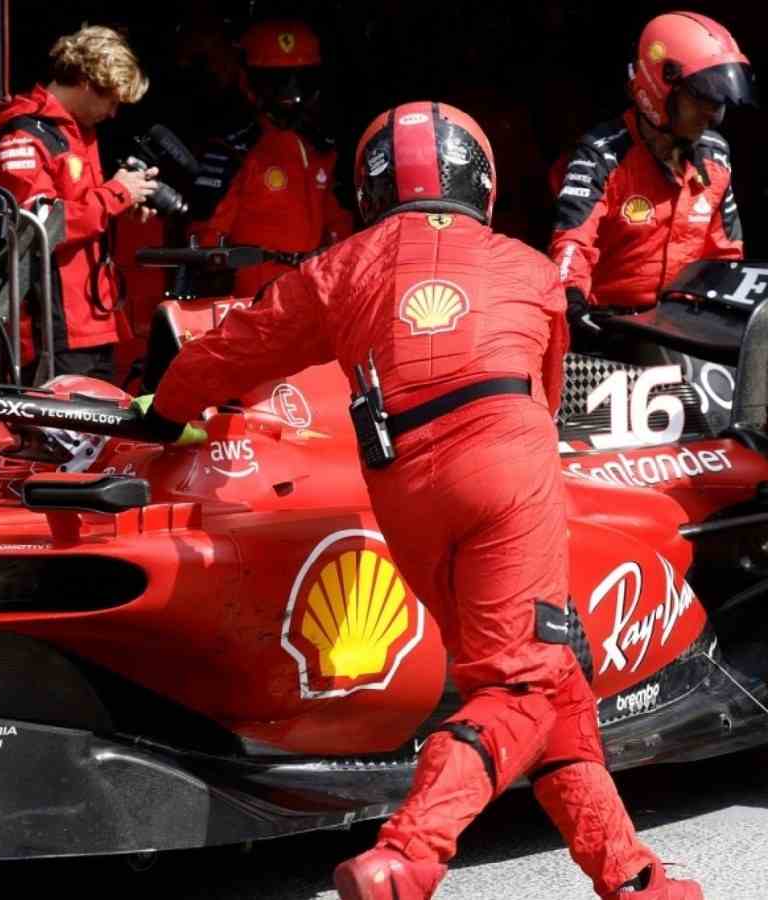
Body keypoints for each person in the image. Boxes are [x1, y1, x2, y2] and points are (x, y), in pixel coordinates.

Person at [138, 102, 699, 900]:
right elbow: (544, 399)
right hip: (506, 468)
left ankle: (632, 879)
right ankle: (410, 853)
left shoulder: (339, 268)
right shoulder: (531, 269)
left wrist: (161, 415)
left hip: (404, 489)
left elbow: (229, 350)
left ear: (369, 191)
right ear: (483, 181)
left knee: (554, 689)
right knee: (522, 685)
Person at [548, 11, 754, 340]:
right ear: (660, 87)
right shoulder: (601, 155)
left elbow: (725, 259)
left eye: (718, 102)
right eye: (701, 98)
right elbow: (572, 244)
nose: (711, 115)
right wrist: (572, 307)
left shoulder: (716, 156)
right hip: (606, 331)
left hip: (684, 334)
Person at [0, 24, 160, 381]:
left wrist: (123, 205)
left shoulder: (80, 134)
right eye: (111, 100)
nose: (113, 113)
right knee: (55, 436)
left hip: (95, 321)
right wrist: (117, 194)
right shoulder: (23, 133)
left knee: (102, 432)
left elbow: (84, 208)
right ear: (85, 82)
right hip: (51, 329)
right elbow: (39, 225)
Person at [187, 19, 353, 297]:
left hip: (313, 293)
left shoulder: (323, 149)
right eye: (277, 83)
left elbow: (340, 225)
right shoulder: (232, 151)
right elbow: (206, 238)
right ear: (250, 81)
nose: (292, 95)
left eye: (301, 80)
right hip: (250, 300)